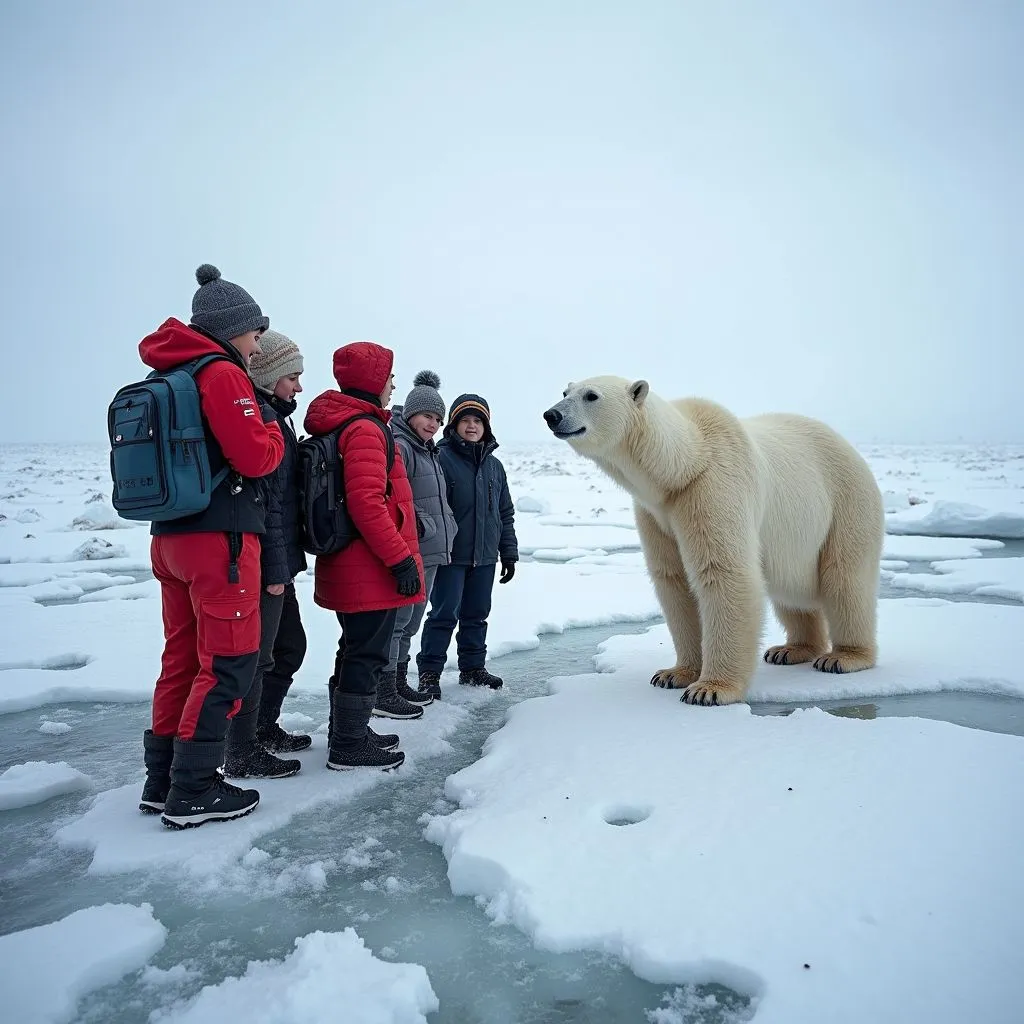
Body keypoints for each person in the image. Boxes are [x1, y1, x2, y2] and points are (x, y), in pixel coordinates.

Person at [139, 264, 284, 830]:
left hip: (170, 537)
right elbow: (256, 457)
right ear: (231, 329)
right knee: (227, 661)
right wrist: (272, 431)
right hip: (219, 541)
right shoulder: (221, 372)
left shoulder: (170, 369)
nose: (256, 346)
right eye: (254, 333)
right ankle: (194, 789)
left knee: (181, 658)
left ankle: (162, 781)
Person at [303, 341, 424, 771]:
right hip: (368, 566)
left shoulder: (346, 423)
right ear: (374, 381)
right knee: (366, 654)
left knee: (354, 649)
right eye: (389, 377)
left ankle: (349, 731)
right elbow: (367, 503)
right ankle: (348, 745)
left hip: (353, 562)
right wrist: (400, 560)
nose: (393, 385)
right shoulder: (365, 429)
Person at [224, 329, 311, 780]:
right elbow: (268, 506)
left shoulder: (277, 416)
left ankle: (261, 728)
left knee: (289, 647)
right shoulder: (263, 420)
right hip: (263, 564)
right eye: (292, 377)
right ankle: (241, 750)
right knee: (258, 657)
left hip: (278, 561)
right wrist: (276, 572)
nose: (299, 386)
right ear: (269, 374)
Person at [416, 393, 518, 698]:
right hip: (451, 555)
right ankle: (429, 673)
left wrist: (508, 552)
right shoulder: (440, 458)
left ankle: (473, 668)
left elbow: (504, 512)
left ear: (486, 426)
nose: (472, 426)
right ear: (454, 425)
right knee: (443, 614)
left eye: (478, 421)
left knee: (477, 614)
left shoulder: (494, 466)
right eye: (465, 420)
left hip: (485, 556)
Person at [375, 371, 458, 717]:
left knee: (411, 623)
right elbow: (391, 500)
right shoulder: (402, 447)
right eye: (427, 416)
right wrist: (421, 526)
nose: (433, 424)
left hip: (430, 550)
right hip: (411, 550)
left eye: (438, 419)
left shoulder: (427, 450)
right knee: (398, 622)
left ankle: (397, 682)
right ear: (410, 413)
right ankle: (384, 690)